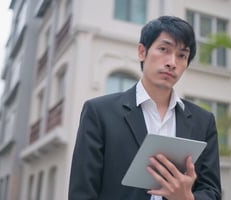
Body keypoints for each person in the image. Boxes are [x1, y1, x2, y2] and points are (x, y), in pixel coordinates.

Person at [68, 15, 221, 200]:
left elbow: (212, 192)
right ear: (142, 52)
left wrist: (187, 198)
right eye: (164, 49)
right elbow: (82, 193)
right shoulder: (99, 113)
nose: (172, 62)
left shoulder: (203, 122)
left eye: (182, 55)